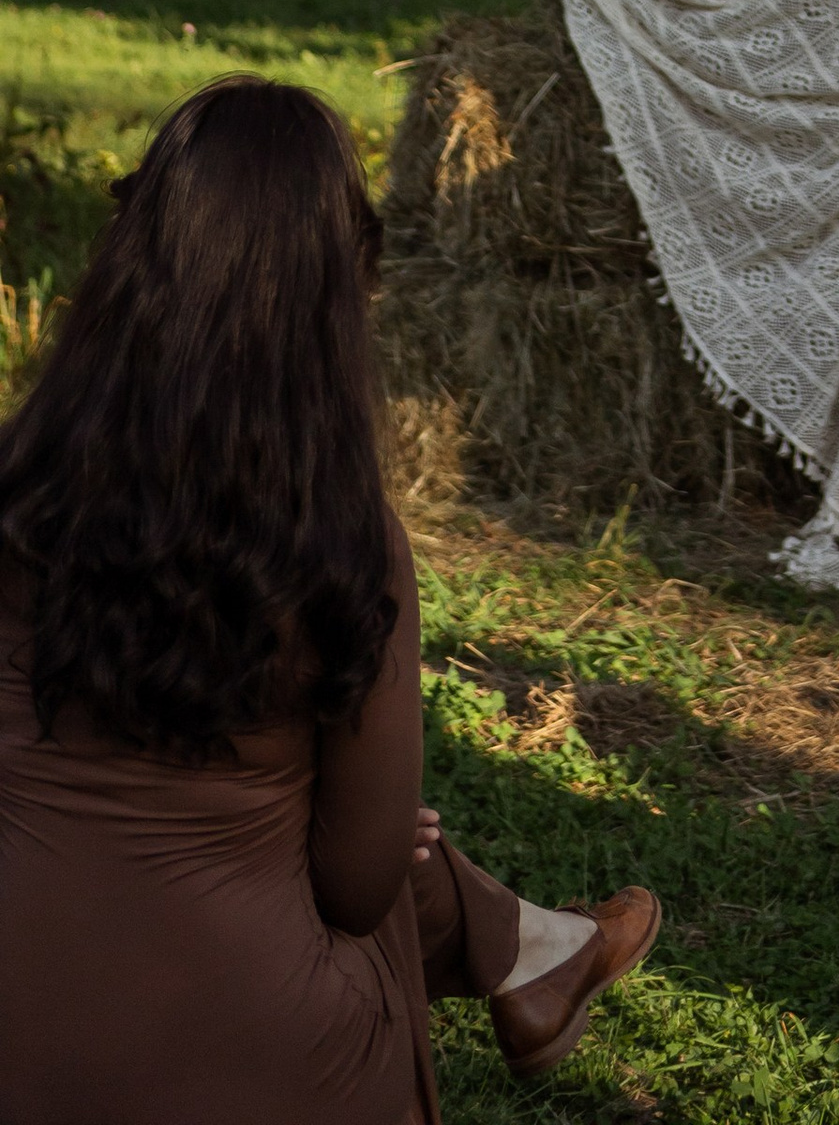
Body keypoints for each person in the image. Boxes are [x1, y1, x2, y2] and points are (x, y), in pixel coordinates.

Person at [0, 78, 660, 1123]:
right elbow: (357, 883)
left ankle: (534, 949)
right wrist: (353, 821)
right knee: (379, 859)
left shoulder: (14, 488)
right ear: (339, 290)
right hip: (255, 1053)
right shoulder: (341, 544)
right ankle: (531, 952)